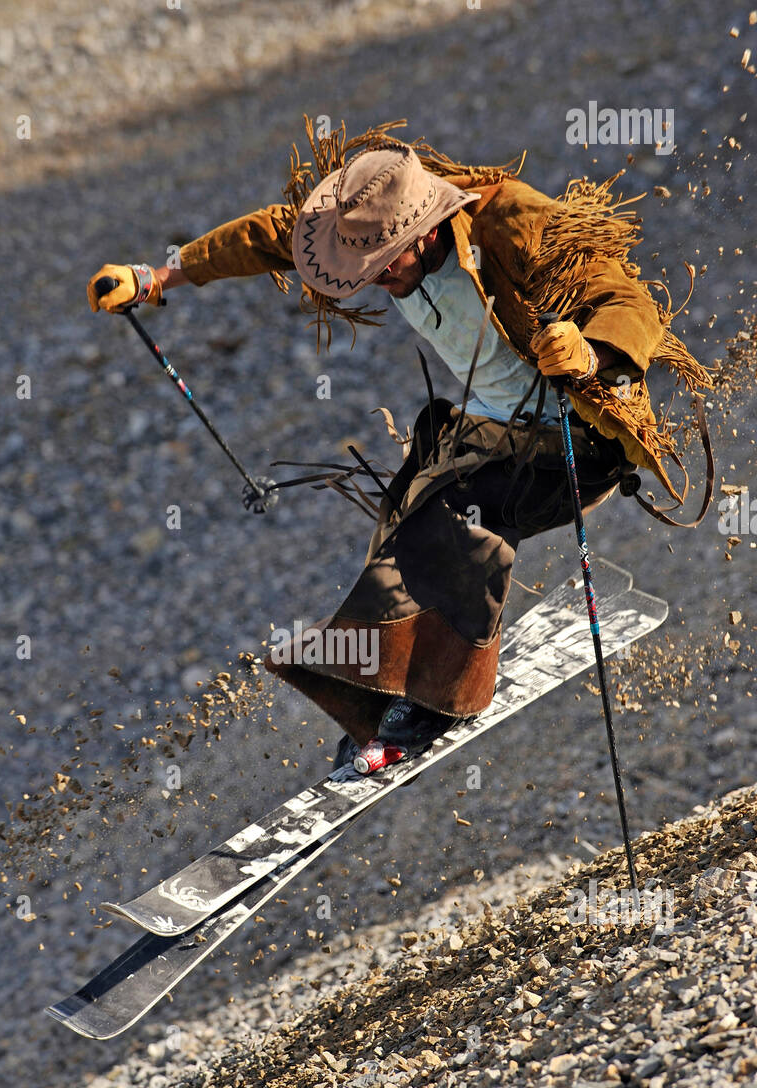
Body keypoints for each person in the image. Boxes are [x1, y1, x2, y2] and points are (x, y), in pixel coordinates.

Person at [87, 119, 712, 776]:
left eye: (388, 265)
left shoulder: (513, 221)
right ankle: (379, 699)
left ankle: (438, 700)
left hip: (579, 436)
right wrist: (158, 275)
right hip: (495, 428)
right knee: (405, 508)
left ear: (430, 230)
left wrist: (590, 350)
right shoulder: (361, 227)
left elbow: (627, 298)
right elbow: (271, 234)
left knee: (459, 518)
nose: (376, 279)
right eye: (366, 269)